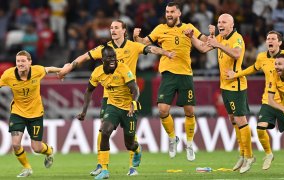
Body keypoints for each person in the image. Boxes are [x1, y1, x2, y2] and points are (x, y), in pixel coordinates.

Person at [58, 19, 174, 176]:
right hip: (110, 96)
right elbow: (84, 57)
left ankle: (132, 165)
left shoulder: (133, 46)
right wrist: (68, 68)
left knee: (129, 139)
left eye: (116, 28)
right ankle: (102, 165)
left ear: (124, 30)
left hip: (129, 96)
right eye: (111, 28)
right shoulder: (105, 48)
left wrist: (165, 52)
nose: (113, 30)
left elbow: (150, 49)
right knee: (103, 130)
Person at [226, 30, 284, 173]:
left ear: (279, 42)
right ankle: (269, 154)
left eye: (273, 39)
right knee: (260, 128)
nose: (270, 41)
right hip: (269, 100)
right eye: (268, 38)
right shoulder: (261, 57)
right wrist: (236, 74)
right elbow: (253, 68)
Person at [133, 1, 207, 161]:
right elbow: (143, 43)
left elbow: (205, 43)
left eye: (172, 11)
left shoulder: (189, 27)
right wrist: (135, 37)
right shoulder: (160, 29)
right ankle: (173, 138)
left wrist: (195, 35)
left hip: (186, 75)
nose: (169, 14)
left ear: (179, 13)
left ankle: (189, 144)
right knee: (162, 110)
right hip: (168, 75)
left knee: (189, 112)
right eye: (167, 12)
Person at [184, 13, 254, 173]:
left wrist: (217, 43)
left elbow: (236, 54)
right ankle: (242, 154)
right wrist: (192, 36)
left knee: (241, 120)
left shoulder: (237, 38)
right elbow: (202, 48)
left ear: (231, 24)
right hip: (225, 86)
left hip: (236, 85)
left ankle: (249, 156)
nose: (220, 24)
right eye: (219, 22)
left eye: (224, 22)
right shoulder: (220, 38)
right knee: (233, 120)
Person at [81, 46, 141, 179]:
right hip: (113, 106)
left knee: (129, 144)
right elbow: (89, 90)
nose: (113, 59)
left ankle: (137, 150)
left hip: (129, 108)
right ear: (103, 59)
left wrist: (134, 102)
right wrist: (84, 111)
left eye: (114, 56)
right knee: (105, 131)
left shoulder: (123, 69)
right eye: (109, 57)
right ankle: (104, 170)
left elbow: (135, 88)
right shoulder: (97, 72)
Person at [0, 50, 62, 177]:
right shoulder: (8, 75)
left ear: (30, 62)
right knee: (16, 144)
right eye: (18, 61)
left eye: (23, 61)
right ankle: (27, 168)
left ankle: (49, 151)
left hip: (36, 114)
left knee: (37, 148)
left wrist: (62, 71)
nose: (20, 64)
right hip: (17, 113)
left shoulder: (37, 71)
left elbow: (49, 69)